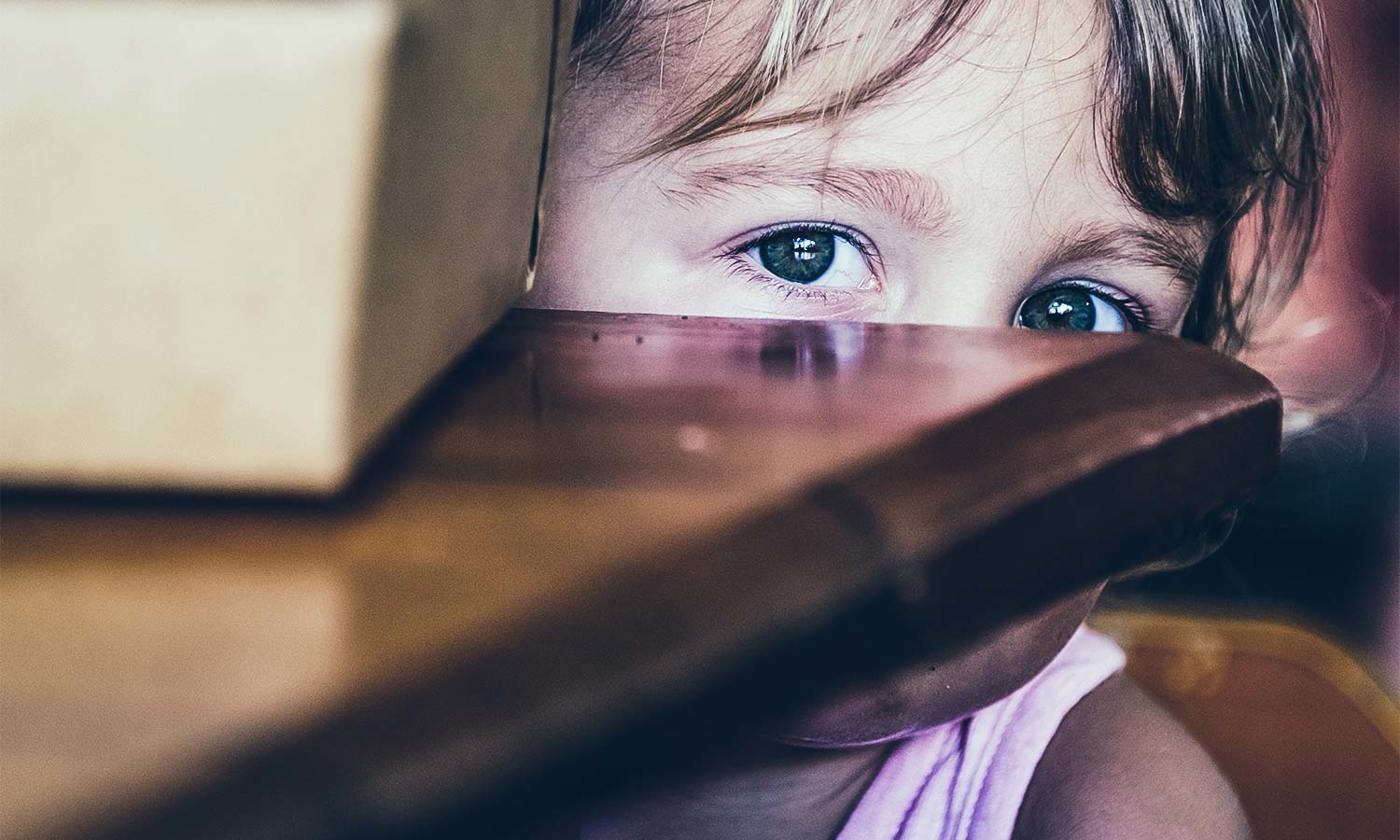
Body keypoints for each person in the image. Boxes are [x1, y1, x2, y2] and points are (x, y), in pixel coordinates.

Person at [520, 0, 1330, 836]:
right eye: (805, 253)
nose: (964, 431)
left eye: (1072, 313)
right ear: (495, 245)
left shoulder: (1112, 817)